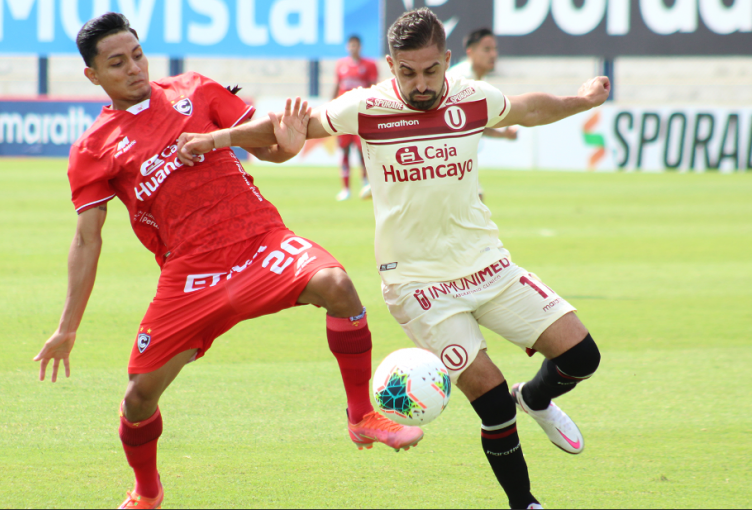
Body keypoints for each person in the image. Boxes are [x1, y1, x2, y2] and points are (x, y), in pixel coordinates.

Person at [177, 8, 607, 509]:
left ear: (447, 60)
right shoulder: (366, 106)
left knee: (582, 358)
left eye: (430, 71)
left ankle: (534, 396)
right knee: (490, 401)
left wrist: (581, 100)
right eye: (407, 72)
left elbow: (526, 108)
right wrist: (215, 139)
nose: (420, 84)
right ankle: (524, 503)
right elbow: (287, 126)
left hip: (488, 264)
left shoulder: (472, 99)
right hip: (418, 284)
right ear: (390, 65)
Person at [32, 13, 423, 510]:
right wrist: (67, 328)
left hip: (259, 241)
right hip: (190, 275)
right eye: (116, 63)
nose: (134, 68)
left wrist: (289, 138)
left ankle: (362, 414)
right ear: (93, 76)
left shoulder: (195, 89)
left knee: (337, 286)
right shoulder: (93, 149)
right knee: (138, 397)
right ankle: (147, 492)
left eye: (137, 54)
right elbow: (88, 240)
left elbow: (271, 150)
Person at [449, 28, 517, 201]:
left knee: (474, 201)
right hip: (444, 154)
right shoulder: (460, 80)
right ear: (470, 52)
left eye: (495, 49)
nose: (493, 54)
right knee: (474, 200)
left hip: (455, 154)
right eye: (487, 49)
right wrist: (502, 134)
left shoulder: (479, 81)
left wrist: (502, 134)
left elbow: (474, 123)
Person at [333, 35, 379, 201]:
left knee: (363, 152)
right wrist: (331, 106)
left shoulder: (369, 65)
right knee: (344, 151)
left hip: (360, 116)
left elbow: (373, 89)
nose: (353, 48)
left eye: (356, 45)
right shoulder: (341, 65)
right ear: (347, 47)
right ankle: (345, 189)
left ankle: (366, 183)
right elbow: (337, 87)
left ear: (360, 47)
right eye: (351, 45)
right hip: (343, 115)